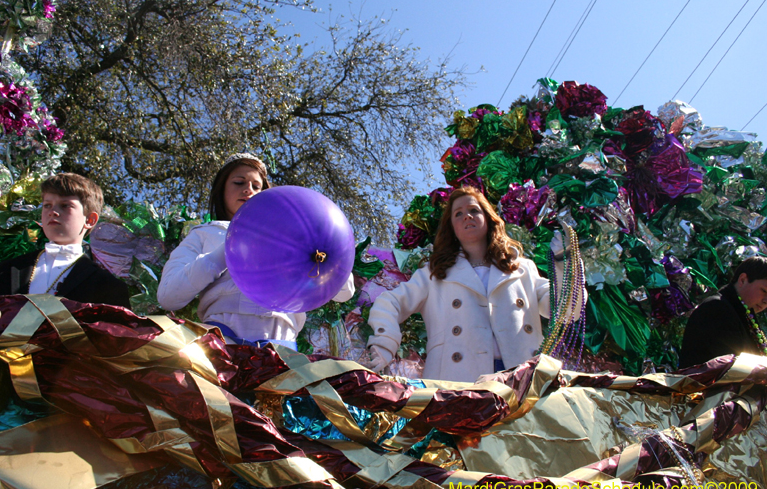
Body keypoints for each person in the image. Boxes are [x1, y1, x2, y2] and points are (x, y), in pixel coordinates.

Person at [366, 186, 582, 382]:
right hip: (457, 383)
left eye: (474, 210)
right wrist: (385, 341)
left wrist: (564, 262)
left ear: (488, 218)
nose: (467, 216)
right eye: (458, 214)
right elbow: (390, 302)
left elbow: (567, 310)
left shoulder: (522, 269)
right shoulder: (434, 274)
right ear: (452, 227)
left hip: (524, 380)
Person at [157, 153, 355, 349]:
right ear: (222, 189)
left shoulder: (291, 235)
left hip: (281, 347)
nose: (248, 190)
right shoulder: (204, 233)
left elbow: (345, 292)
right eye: (239, 182)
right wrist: (224, 253)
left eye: (256, 186)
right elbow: (168, 296)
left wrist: (323, 248)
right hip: (220, 343)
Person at [0, 173, 130, 307]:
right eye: (47, 205)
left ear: (90, 220)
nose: (53, 211)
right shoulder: (1, 273)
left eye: (65, 205)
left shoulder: (108, 287)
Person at [679, 256, 767, 368]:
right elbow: (732, 367)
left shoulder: (744, 313)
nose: (766, 301)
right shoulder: (717, 309)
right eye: (764, 291)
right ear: (743, 280)